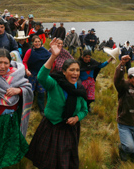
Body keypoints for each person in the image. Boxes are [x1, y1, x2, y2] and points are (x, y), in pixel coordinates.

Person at [26, 38, 88, 169]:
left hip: (70, 129)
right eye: (72, 70)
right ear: (64, 72)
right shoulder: (54, 84)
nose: (75, 73)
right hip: (51, 126)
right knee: (47, 159)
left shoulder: (80, 90)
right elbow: (41, 76)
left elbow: (84, 110)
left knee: (65, 160)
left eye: (77, 70)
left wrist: (77, 118)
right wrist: (54, 56)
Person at [22, 36, 51, 115]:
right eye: (35, 42)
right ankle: (27, 107)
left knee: (41, 92)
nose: (37, 43)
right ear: (32, 43)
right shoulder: (30, 51)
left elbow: (51, 62)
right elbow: (24, 62)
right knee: (30, 92)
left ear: (41, 42)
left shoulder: (46, 52)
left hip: (41, 75)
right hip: (31, 74)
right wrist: (26, 70)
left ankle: (41, 109)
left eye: (38, 41)